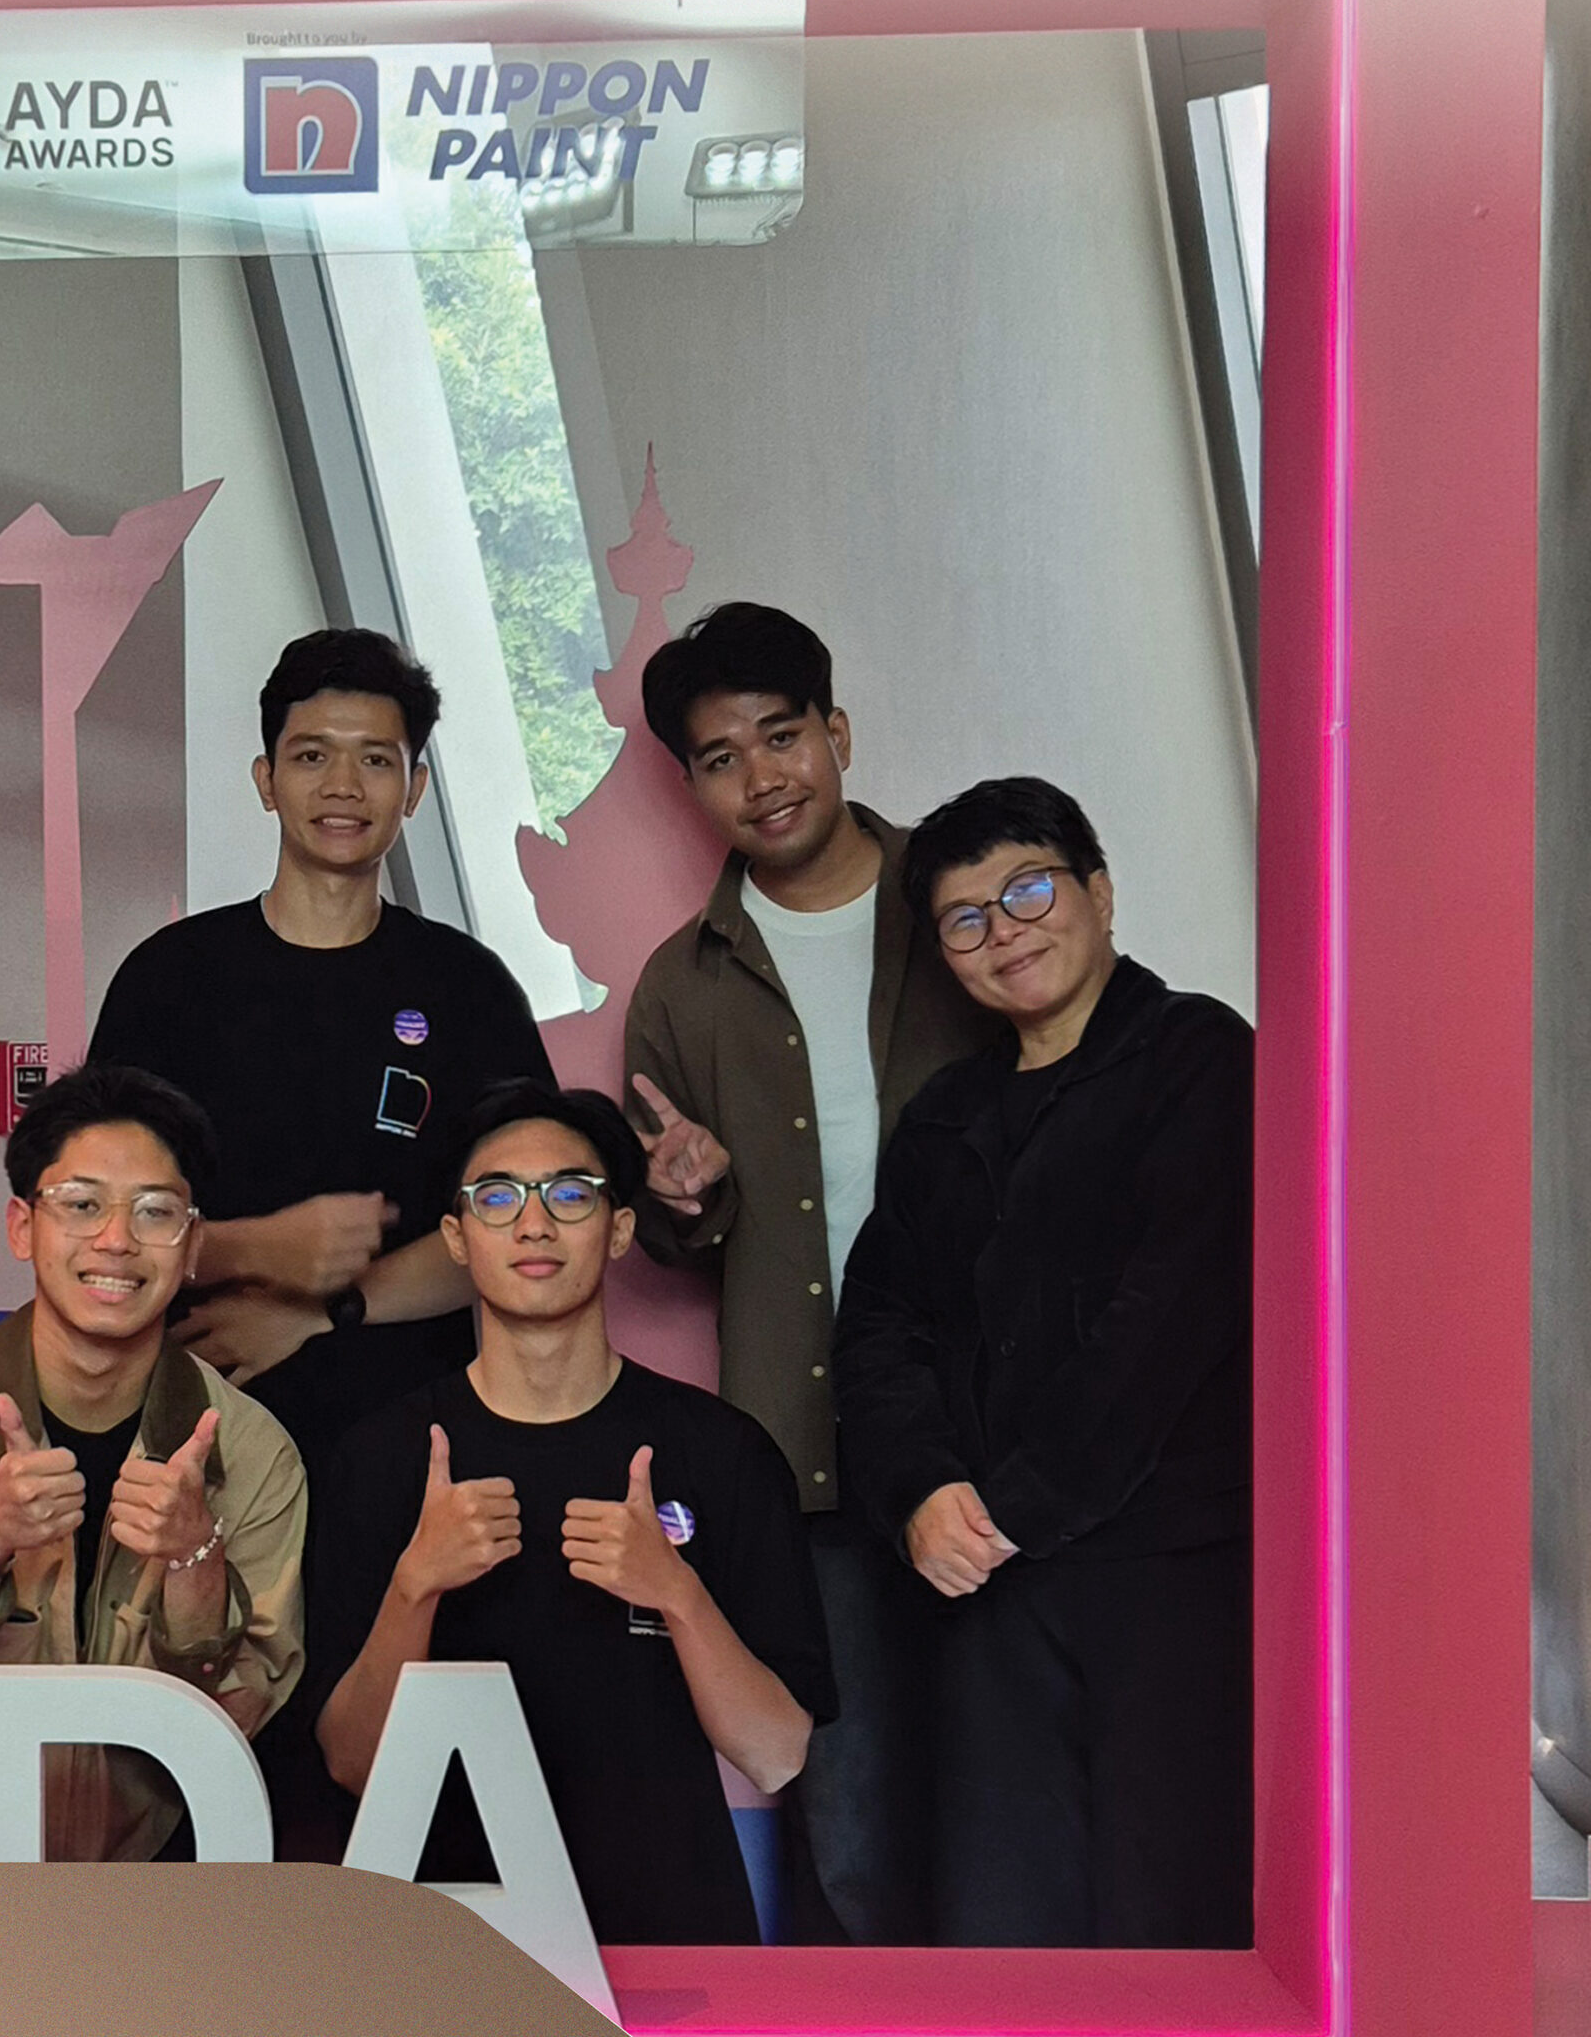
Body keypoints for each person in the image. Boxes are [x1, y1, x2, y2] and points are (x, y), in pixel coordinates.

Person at [622, 600, 996, 1942]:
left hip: (990, 1427)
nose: (761, 777)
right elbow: (678, 1238)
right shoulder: (681, 986)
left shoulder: (962, 910)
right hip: (804, 1455)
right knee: (849, 1812)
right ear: (692, 785)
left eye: (781, 736)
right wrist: (680, 1203)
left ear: (836, 731)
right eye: (720, 758)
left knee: (1017, 1786)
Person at [832, 777, 1252, 1947]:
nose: (1003, 932)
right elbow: (878, 1325)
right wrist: (921, 1490)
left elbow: (1169, 1318)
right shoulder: (943, 1115)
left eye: (1027, 891)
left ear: (1098, 893)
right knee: (1003, 1917)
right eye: (965, 918)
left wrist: (1013, 1506)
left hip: (1167, 1571)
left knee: (1169, 1909)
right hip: (982, 1583)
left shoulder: (1200, 1057)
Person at [310, 1080, 833, 1945]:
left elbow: (776, 1753)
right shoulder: (380, 1459)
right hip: (446, 1944)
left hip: (672, 1932)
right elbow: (352, 1761)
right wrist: (416, 1584)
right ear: (457, 1237)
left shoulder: (722, 1452)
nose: (534, 1224)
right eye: (498, 1198)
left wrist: (677, 1593)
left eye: (569, 1194)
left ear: (619, 1229)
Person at [0, 1060, 308, 1861]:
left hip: (155, 1860)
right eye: (81, 1204)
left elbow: (250, 1705)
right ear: (21, 1226)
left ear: (193, 1244)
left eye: (155, 1211)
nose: (116, 1240)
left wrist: (195, 1561)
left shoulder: (253, 1451)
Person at [89, 627, 555, 1469]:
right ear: (266, 781)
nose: (343, 786)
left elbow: (518, 1223)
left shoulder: (469, 988)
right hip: (193, 1432)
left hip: (418, 1438)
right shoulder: (169, 978)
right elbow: (90, 1218)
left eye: (376, 760)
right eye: (311, 757)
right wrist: (257, 1247)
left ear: (414, 789)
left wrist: (321, 1310)